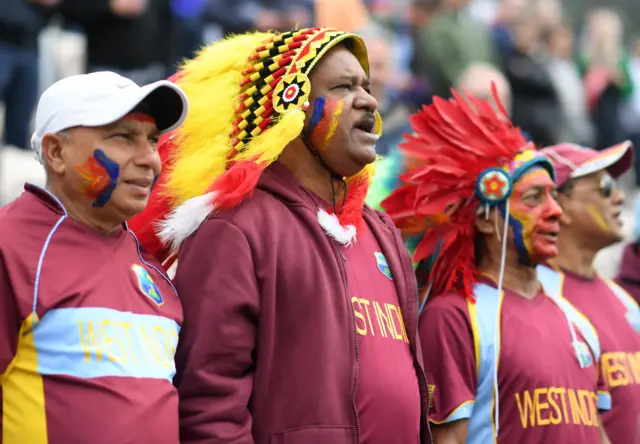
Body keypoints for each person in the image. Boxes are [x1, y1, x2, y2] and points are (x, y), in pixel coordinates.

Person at [128, 27, 432, 443]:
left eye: (367, 85)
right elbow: (208, 406)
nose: (369, 100)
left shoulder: (380, 231)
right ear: (289, 107)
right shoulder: (235, 230)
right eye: (344, 86)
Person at [380, 87, 612, 443]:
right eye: (534, 198)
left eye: (553, 196)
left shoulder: (577, 320)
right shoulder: (454, 317)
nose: (556, 212)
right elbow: (448, 440)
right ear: (487, 219)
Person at [0, 71, 188, 443]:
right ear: (56, 152)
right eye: (123, 137)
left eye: (152, 140)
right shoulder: (10, 247)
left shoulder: (152, 269)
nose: (150, 159)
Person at [539, 141, 640, 444]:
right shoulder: (537, 298)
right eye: (605, 186)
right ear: (559, 205)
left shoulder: (623, 300)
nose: (620, 197)